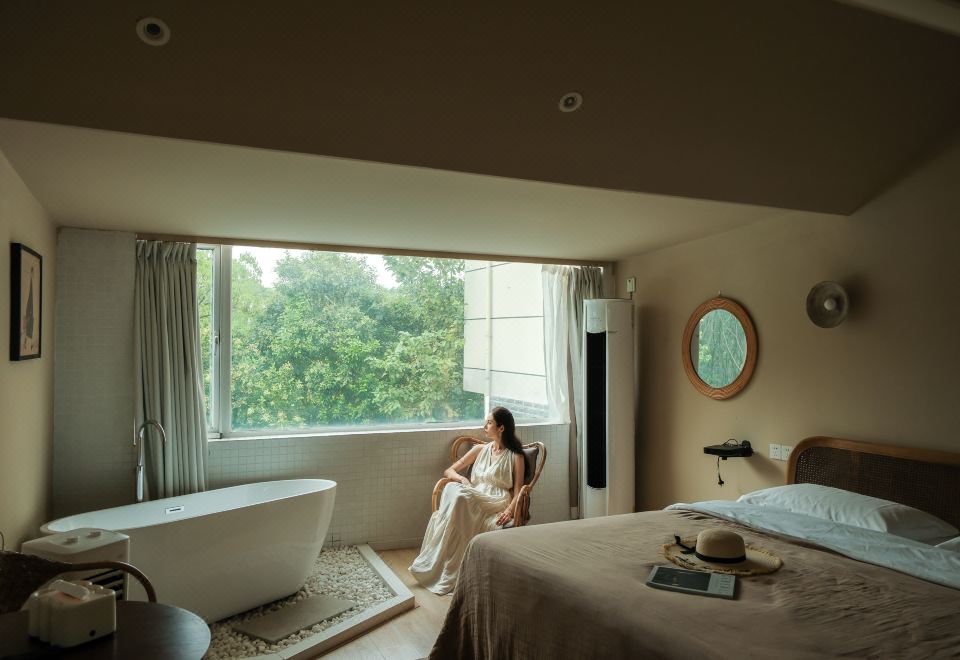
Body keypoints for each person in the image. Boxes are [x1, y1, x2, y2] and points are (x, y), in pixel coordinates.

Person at [409, 406, 526, 594]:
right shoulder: (480, 450)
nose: (485, 426)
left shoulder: (515, 455)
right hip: (474, 494)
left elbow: (519, 490)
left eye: (489, 422)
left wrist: (509, 510)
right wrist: (462, 479)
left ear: (501, 428)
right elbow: (449, 471)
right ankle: (442, 564)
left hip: (496, 499)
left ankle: (451, 570)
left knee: (461, 497)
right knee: (452, 488)